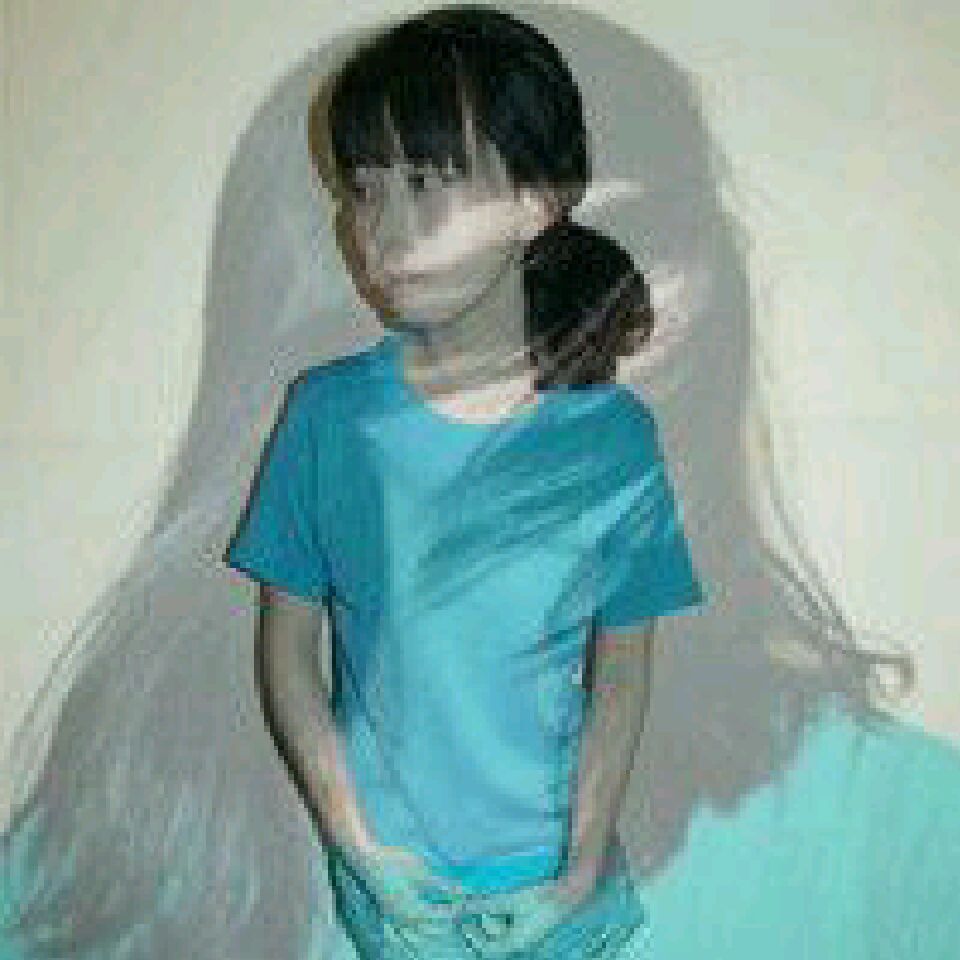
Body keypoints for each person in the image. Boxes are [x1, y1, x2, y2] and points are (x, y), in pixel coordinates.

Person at [3, 5, 957, 960]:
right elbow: (285, 647)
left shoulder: (894, 839)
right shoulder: (106, 861)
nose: (385, 235)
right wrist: (358, 844)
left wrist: (578, 868)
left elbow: (626, 669)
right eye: (365, 192)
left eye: (430, 183)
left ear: (541, 208)